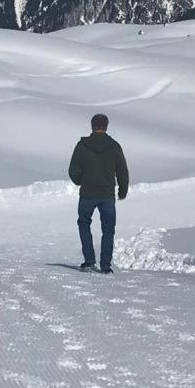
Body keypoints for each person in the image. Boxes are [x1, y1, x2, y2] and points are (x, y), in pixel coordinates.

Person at [67, 113, 129, 273]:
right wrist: (122, 190)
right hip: (107, 195)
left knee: (84, 223)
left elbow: (72, 170)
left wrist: (81, 180)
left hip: (87, 193)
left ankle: (89, 261)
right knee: (108, 229)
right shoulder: (114, 146)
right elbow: (122, 171)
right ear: (106, 126)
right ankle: (106, 266)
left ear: (92, 126)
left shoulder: (82, 146)